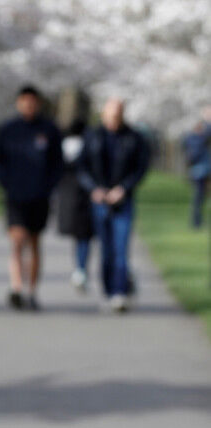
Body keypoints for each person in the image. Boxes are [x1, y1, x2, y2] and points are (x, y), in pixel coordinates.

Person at [0, 85, 63, 310]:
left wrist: (48, 187)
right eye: (24, 102)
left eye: (32, 102)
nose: (28, 106)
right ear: (18, 103)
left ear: (38, 103)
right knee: (17, 240)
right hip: (15, 195)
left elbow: (57, 163)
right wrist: (5, 184)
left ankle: (31, 291)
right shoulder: (8, 129)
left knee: (33, 243)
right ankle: (16, 288)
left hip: (39, 197)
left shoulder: (49, 130)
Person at [77, 98, 150, 313]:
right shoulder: (92, 136)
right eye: (111, 115)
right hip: (100, 200)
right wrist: (94, 189)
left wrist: (124, 189)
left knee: (121, 248)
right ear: (104, 114)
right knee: (106, 249)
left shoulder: (134, 138)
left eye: (118, 115)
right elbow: (82, 167)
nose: (115, 119)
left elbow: (140, 168)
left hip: (123, 201)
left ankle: (120, 292)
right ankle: (108, 292)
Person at [57, 118, 94, 292]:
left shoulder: (63, 145)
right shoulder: (89, 145)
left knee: (78, 237)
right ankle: (81, 269)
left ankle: (79, 269)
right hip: (86, 196)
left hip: (68, 196)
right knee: (84, 236)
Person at [181, 116, 211, 228]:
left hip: (196, 171)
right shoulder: (198, 139)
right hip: (200, 171)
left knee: (199, 196)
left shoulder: (190, 139)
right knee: (198, 196)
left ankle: (197, 220)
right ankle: (196, 221)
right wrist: (208, 121)